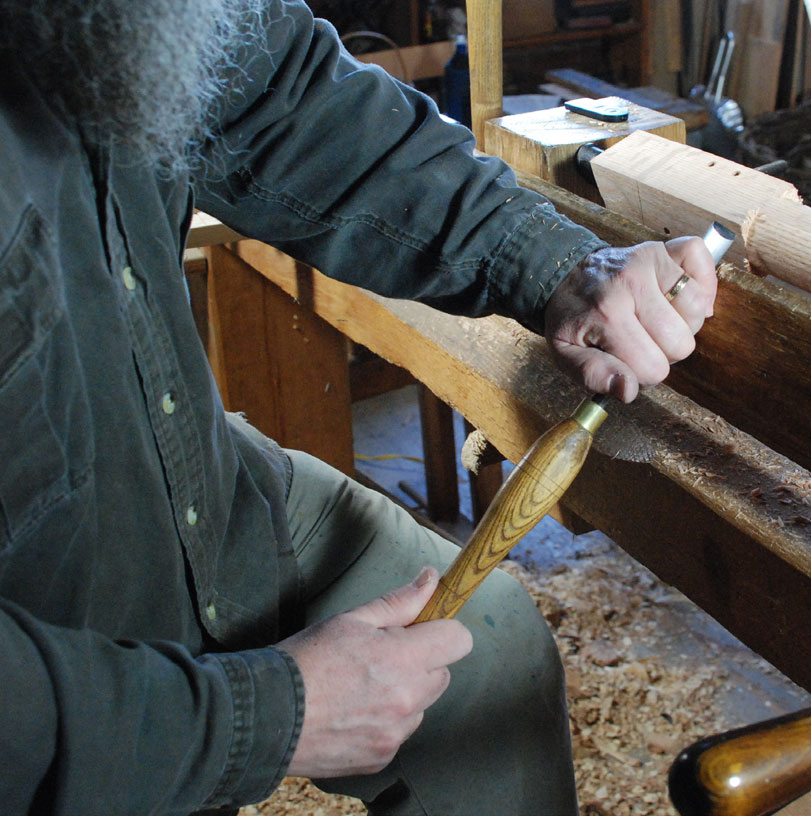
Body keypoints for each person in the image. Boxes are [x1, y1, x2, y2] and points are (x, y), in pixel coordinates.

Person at [0, 0, 717, 813]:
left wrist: (551, 265)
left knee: (492, 658)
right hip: (48, 661)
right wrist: (258, 721)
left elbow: (277, 98)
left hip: (191, 483)